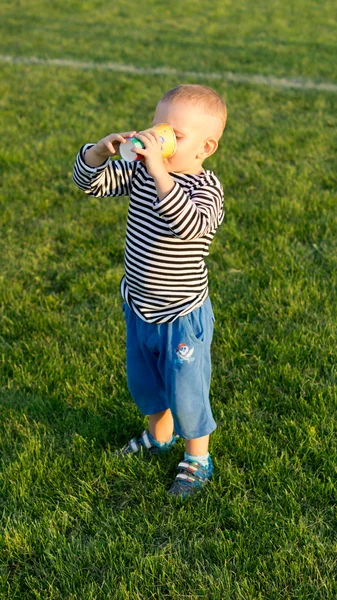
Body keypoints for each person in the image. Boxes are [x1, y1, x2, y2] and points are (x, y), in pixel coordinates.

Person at [73, 84, 227, 499]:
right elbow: (91, 185)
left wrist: (158, 170)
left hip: (182, 316)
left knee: (187, 390)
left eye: (174, 134)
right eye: (159, 124)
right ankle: (158, 436)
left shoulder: (205, 190)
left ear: (205, 147)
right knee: (144, 383)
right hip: (139, 307)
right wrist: (98, 153)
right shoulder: (141, 171)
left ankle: (197, 458)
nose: (160, 136)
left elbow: (188, 226)